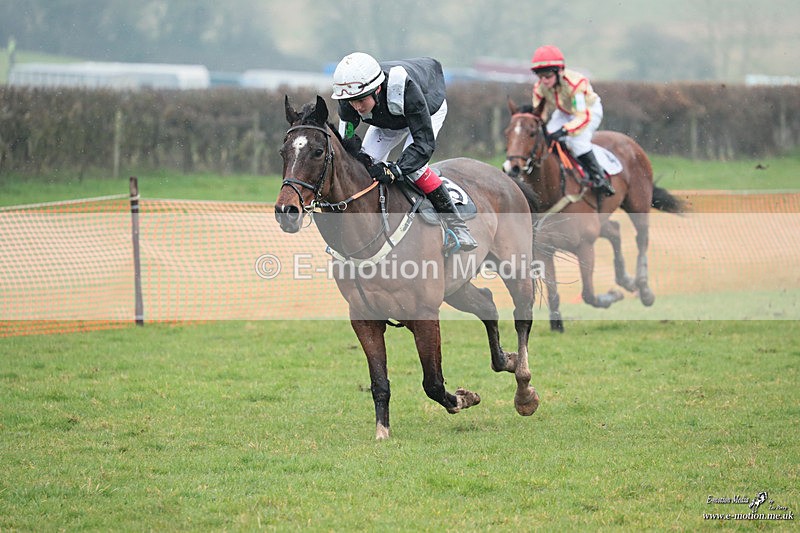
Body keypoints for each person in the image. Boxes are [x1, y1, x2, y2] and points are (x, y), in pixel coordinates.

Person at [331, 52, 477, 251]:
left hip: (426, 110)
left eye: (361, 100)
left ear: (377, 89)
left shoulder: (405, 90)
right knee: (364, 168)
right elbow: (346, 140)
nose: (356, 106)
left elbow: (423, 145)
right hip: (387, 117)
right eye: (351, 101)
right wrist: (364, 161)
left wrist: (395, 169)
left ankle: (457, 226)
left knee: (415, 170)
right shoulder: (348, 98)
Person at [530, 45, 615, 196]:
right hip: (564, 112)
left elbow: (582, 117)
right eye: (540, 76)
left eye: (548, 75)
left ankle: (599, 178)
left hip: (588, 111)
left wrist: (564, 130)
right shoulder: (539, 88)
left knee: (577, 142)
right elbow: (539, 114)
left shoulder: (575, 84)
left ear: (559, 71)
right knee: (547, 137)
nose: (544, 80)